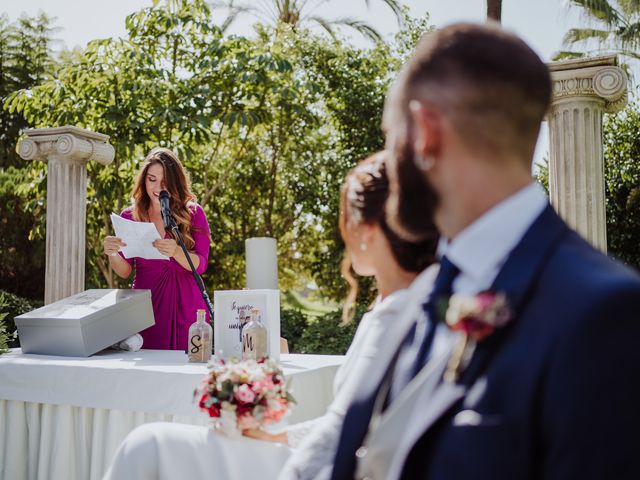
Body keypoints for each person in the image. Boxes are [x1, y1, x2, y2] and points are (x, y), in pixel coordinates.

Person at [330, 22, 640, 480]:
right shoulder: (422, 293)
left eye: (390, 135)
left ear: (424, 132)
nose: (389, 162)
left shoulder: (605, 314)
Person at [102, 151, 439, 480]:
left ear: (370, 232)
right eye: (151, 178)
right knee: (148, 444)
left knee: (146, 445)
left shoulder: (409, 318)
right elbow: (343, 427)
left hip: (320, 462)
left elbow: (350, 436)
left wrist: (281, 445)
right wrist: (276, 436)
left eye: (347, 221)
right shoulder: (393, 313)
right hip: (151, 302)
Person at [103, 147, 212, 351]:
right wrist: (112, 253)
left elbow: (202, 264)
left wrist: (177, 252)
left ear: (175, 183)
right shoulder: (129, 216)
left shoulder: (194, 213)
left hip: (187, 306)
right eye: (151, 179)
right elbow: (125, 270)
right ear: (144, 179)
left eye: (164, 183)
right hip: (146, 308)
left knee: (187, 371)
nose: (157, 188)